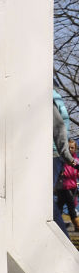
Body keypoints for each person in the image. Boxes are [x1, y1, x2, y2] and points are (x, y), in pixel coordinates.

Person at [52, 90, 78, 235]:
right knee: (54, 206)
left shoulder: (50, 95)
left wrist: (66, 155)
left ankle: (63, 235)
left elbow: (59, 127)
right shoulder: (53, 95)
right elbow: (59, 127)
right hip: (56, 157)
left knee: (51, 206)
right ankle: (62, 233)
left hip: (55, 155)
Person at [55, 139, 79, 232]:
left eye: (72, 148)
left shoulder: (76, 161)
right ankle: (75, 224)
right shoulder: (62, 160)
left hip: (72, 187)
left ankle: (75, 224)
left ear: (75, 149)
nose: (70, 149)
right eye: (68, 148)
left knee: (68, 206)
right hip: (62, 187)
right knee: (64, 206)